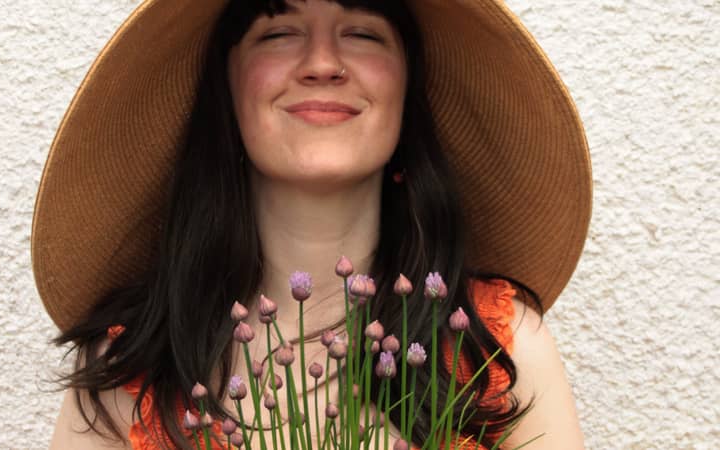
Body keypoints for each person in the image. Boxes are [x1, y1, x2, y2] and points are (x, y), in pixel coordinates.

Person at [34, 0, 590, 448]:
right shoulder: (128, 372)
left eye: (364, 32)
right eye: (278, 31)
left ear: (406, 87)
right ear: (226, 87)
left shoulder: (497, 345)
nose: (323, 62)